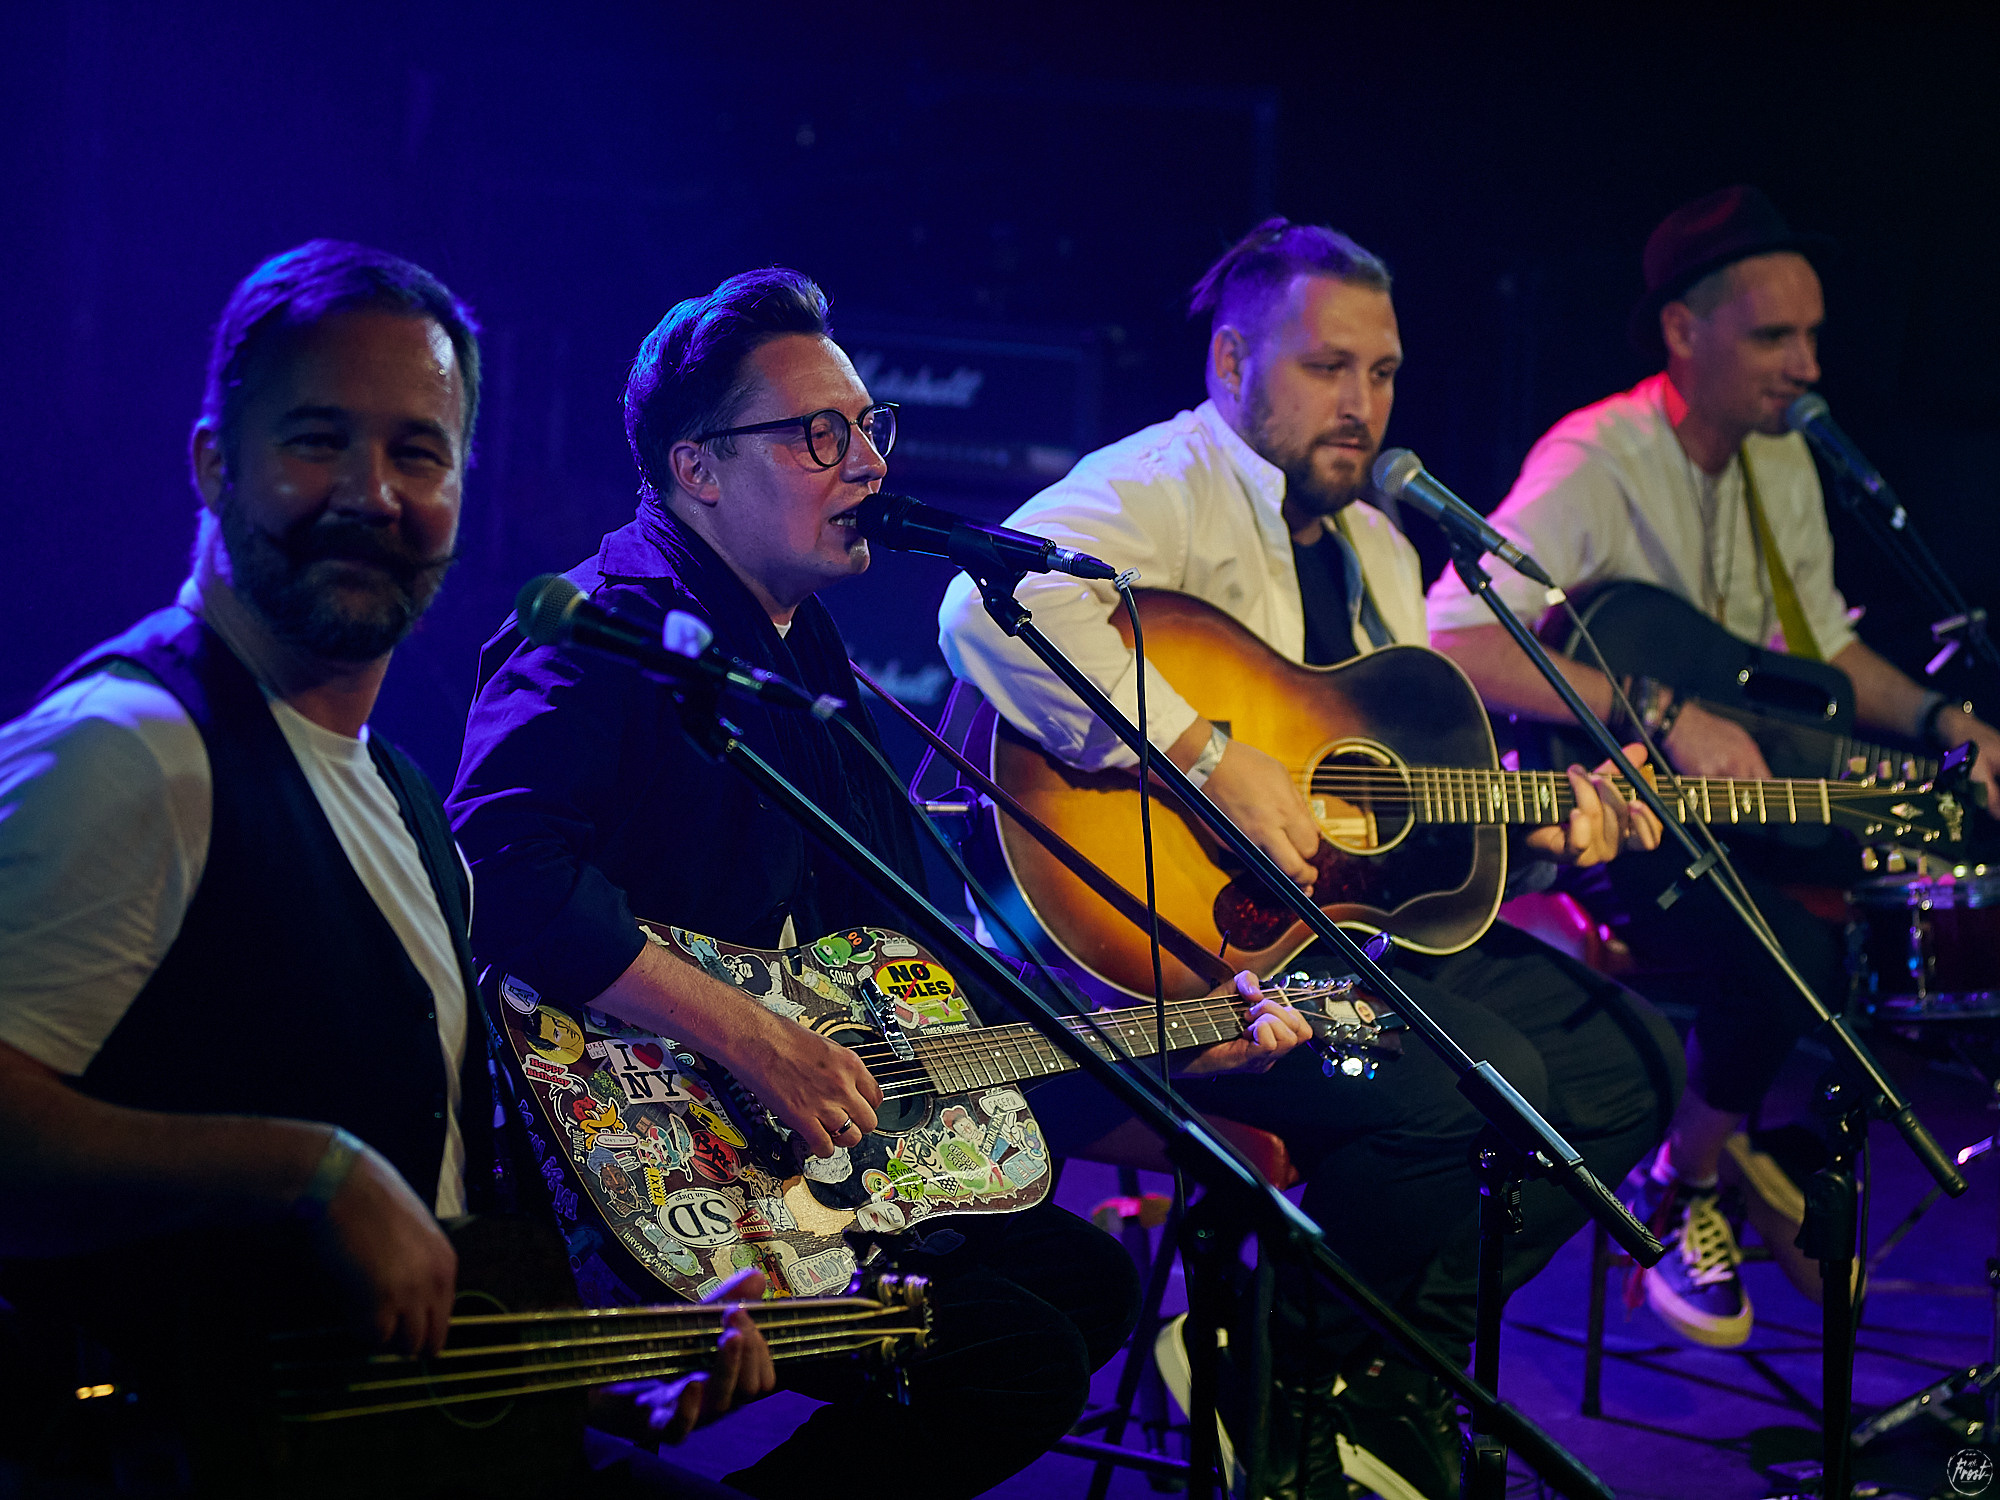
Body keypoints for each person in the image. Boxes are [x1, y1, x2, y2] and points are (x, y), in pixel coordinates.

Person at [446, 266, 1310, 1500]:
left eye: (868, 429)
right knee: (1008, 1357)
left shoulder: (806, 646)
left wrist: (1170, 1047)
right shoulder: (600, 629)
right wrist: (755, 1039)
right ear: (696, 467)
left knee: (1084, 1285)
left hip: (800, 1152)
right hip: (647, 1154)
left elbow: (921, 961)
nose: (864, 462)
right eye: (817, 434)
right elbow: (501, 874)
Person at [0, 241, 769, 1499]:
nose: (372, 492)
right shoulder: (131, 753)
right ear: (212, 465)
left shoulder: (408, 805)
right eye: (317, 441)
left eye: (418, 453)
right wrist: (308, 1171)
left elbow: (409, 1256)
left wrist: (584, 1373)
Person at [939, 218, 1684, 1500]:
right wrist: (1205, 754)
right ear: (1232, 359)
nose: (1362, 405)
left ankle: (1365, 1363)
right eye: (1327, 368)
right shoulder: (1157, 483)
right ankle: (1261, 1362)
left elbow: (1393, 838)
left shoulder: (1384, 549)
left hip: (1324, 953)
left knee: (1630, 1061)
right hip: (1150, 965)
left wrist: (1552, 842)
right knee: (1477, 1078)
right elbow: (984, 606)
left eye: (1382, 373)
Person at [1426, 184, 2000, 1348]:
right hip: (1608, 812)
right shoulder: (1596, 457)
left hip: (1744, 787)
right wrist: (1655, 708)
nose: (1805, 366)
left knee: (1936, 863)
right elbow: (1454, 638)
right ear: (1683, 334)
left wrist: (1945, 720)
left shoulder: (1777, 456)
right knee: (1793, 952)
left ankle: (1763, 1154)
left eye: (1812, 337)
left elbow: (1821, 650)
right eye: (1773, 337)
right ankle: (1685, 1187)